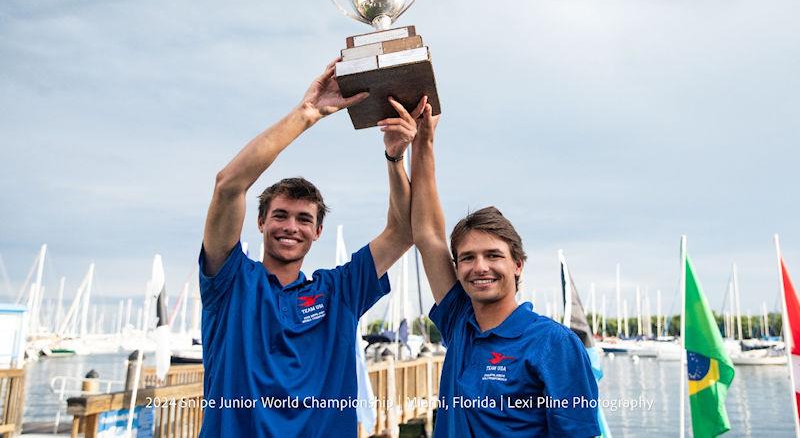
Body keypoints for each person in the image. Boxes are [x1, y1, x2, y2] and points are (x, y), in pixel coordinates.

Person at [199, 57, 425, 437]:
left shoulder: (338, 291)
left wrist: (395, 156)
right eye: (281, 215)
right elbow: (228, 185)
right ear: (260, 222)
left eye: (304, 219)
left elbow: (403, 231)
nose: (291, 227)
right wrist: (307, 113)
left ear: (318, 231)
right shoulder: (231, 282)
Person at [398, 105, 601, 437]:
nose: (480, 267)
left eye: (493, 255)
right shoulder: (458, 322)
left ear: (517, 264)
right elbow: (428, 235)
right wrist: (423, 143)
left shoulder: (553, 343)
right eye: (467, 258)